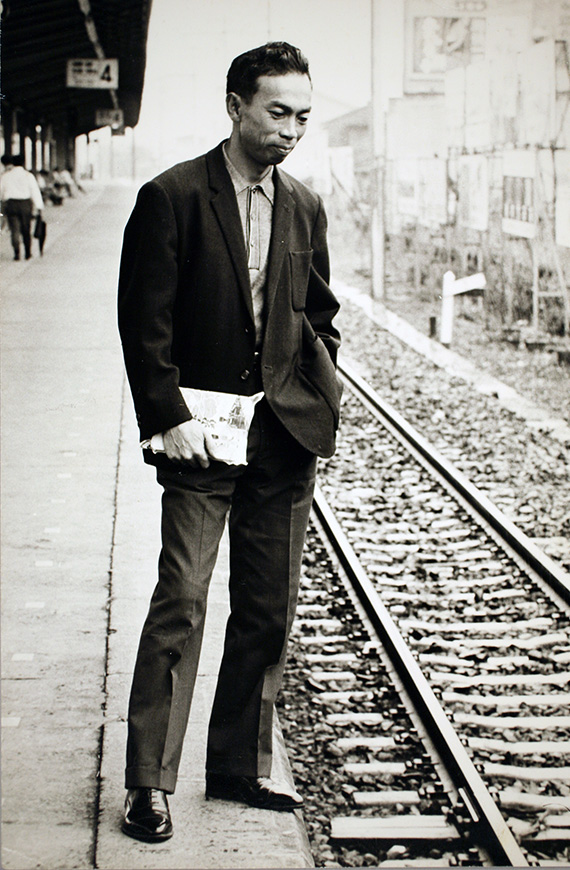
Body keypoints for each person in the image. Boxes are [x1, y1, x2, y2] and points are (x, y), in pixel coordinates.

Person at [117, 41, 342, 843]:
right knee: (181, 598)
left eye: (303, 116)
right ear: (236, 106)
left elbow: (317, 312)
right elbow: (144, 320)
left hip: (281, 439)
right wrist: (167, 414)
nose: (292, 130)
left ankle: (239, 764)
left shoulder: (305, 206)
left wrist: (316, 389)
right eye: (278, 112)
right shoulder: (172, 196)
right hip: (199, 439)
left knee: (268, 607)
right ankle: (148, 782)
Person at [1, 154, 44, 260]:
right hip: (25, 204)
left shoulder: (6, 176)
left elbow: (1, 191)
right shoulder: (28, 175)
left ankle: (17, 253)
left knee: (14, 229)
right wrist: (39, 206)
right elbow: (34, 191)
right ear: (23, 163)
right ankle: (27, 253)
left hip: (11, 204)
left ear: (12, 163)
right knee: (26, 229)